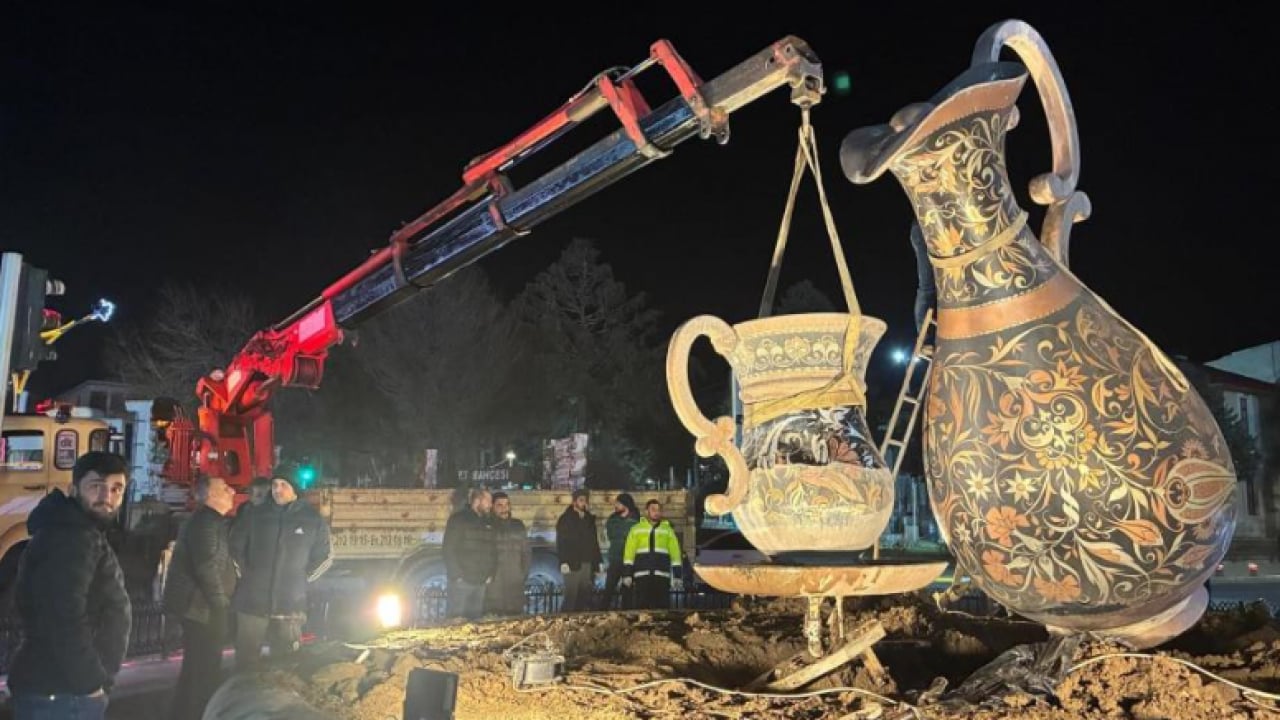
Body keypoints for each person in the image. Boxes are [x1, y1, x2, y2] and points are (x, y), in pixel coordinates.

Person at [7, 452, 131, 720]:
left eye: (116, 489)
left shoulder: (73, 530)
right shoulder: (72, 537)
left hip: (54, 687)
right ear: (73, 489)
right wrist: (90, 682)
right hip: (63, 693)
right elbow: (64, 617)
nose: (106, 497)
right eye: (95, 486)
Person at [230, 475, 332, 670]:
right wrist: (247, 577)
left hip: (290, 605)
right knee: (246, 662)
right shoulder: (255, 514)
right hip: (252, 603)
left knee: (287, 665)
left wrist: (302, 581)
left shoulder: (312, 519)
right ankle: (246, 698)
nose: (277, 489)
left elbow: (325, 556)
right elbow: (235, 547)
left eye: (283, 485)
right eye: (274, 485)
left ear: (295, 489)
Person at [163, 475, 237, 720]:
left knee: (196, 668)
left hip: (199, 607)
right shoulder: (206, 523)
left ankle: (186, 713)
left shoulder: (208, 521)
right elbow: (206, 567)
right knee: (203, 669)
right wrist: (221, 605)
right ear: (211, 495)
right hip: (201, 609)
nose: (232, 491)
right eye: (225, 487)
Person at [442, 488, 496, 620]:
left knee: (475, 623)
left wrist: (490, 574)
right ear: (477, 501)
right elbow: (448, 549)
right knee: (455, 623)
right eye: (488, 501)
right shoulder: (458, 519)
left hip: (480, 582)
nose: (490, 505)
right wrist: (457, 576)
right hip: (462, 583)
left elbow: (492, 550)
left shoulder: (487, 522)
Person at [621, 499, 684, 610]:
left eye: (659, 510)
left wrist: (677, 575)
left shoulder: (668, 530)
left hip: (662, 576)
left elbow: (675, 554)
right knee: (642, 610)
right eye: (653, 509)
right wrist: (627, 574)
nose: (656, 512)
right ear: (646, 511)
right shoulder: (636, 530)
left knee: (662, 610)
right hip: (642, 576)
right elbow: (629, 553)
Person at [485, 492, 530, 616]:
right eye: (499, 505)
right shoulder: (487, 526)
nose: (504, 508)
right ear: (492, 507)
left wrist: (523, 574)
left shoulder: (518, 525)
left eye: (506, 505)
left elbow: (526, 552)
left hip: (515, 583)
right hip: (494, 584)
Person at [555, 489, 601, 612]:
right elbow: (561, 542)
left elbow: (594, 542)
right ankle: (564, 622)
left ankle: (578, 622)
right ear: (574, 502)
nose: (584, 503)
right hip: (572, 562)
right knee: (571, 595)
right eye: (581, 500)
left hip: (586, 562)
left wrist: (597, 563)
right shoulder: (566, 519)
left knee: (583, 596)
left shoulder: (589, 519)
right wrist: (563, 561)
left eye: (585, 500)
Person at [601, 493, 640, 610]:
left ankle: (626, 618)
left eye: (618, 503)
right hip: (615, 559)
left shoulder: (636, 520)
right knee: (608, 590)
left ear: (625, 505)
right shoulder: (612, 519)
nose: (615, 506)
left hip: (630, 562)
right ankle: (602, 615)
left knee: (627, 592)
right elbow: (610, 535)